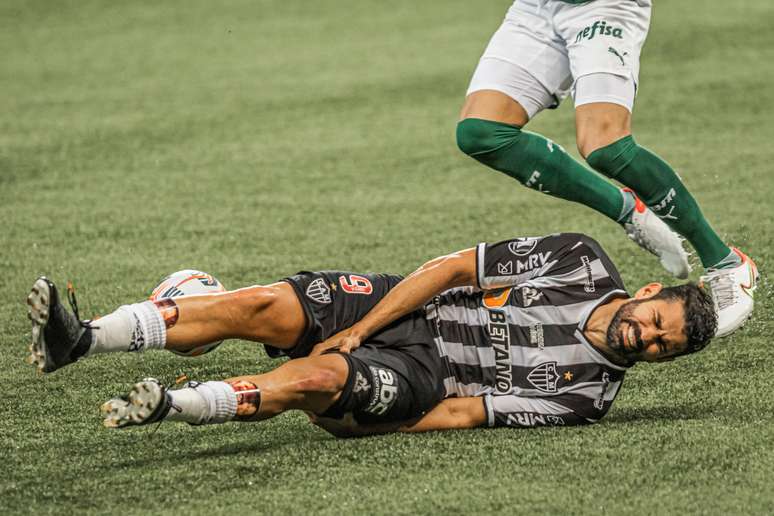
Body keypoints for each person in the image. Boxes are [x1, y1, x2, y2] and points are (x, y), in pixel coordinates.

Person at [26, 233, 716, 435]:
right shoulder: (581, 261)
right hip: (401, 307)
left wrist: (368, 420)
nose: (648, 339)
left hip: (426, 379)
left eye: (664, 347)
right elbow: (450, 269)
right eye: (659, 323)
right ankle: (83, 338)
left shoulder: (589, 397)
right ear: (650, 293)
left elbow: (466, 413)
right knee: (270, 306)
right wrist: (359, 330)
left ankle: (175, 404)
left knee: (321, 380)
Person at [455, 0, 757, 337]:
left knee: (606, 147)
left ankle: (726, 262)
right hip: (537, 8)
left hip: (602, 7)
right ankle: (628, 210)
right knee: (481, 133)